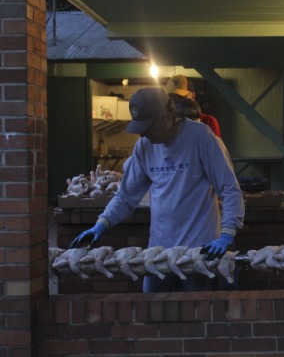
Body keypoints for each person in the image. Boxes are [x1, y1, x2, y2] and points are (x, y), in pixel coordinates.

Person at [69, 87, 245, 292]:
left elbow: (229, 189)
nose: (143, 133)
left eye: (148, 126)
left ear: (168, 117)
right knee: (152, 311)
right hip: (159, 253)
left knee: (197, 315)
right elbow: (126, 196)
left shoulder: (200, 137)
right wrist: (102, 224)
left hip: (199, 252)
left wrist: (227, 233)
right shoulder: (144, 146)